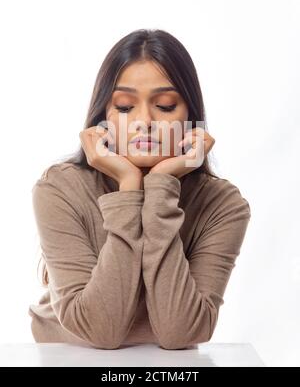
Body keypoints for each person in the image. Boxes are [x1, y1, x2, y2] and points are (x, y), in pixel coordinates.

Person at [29, 28, 251, 350]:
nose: (144, 120)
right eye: (123, 107)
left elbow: (182, 332)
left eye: (164, 106)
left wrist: (161, 185)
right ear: (101, 117)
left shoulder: (223, 205)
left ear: (191, 117)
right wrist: (129, 189)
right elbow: (99, 330)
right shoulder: (59, 189)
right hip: (64, 356)